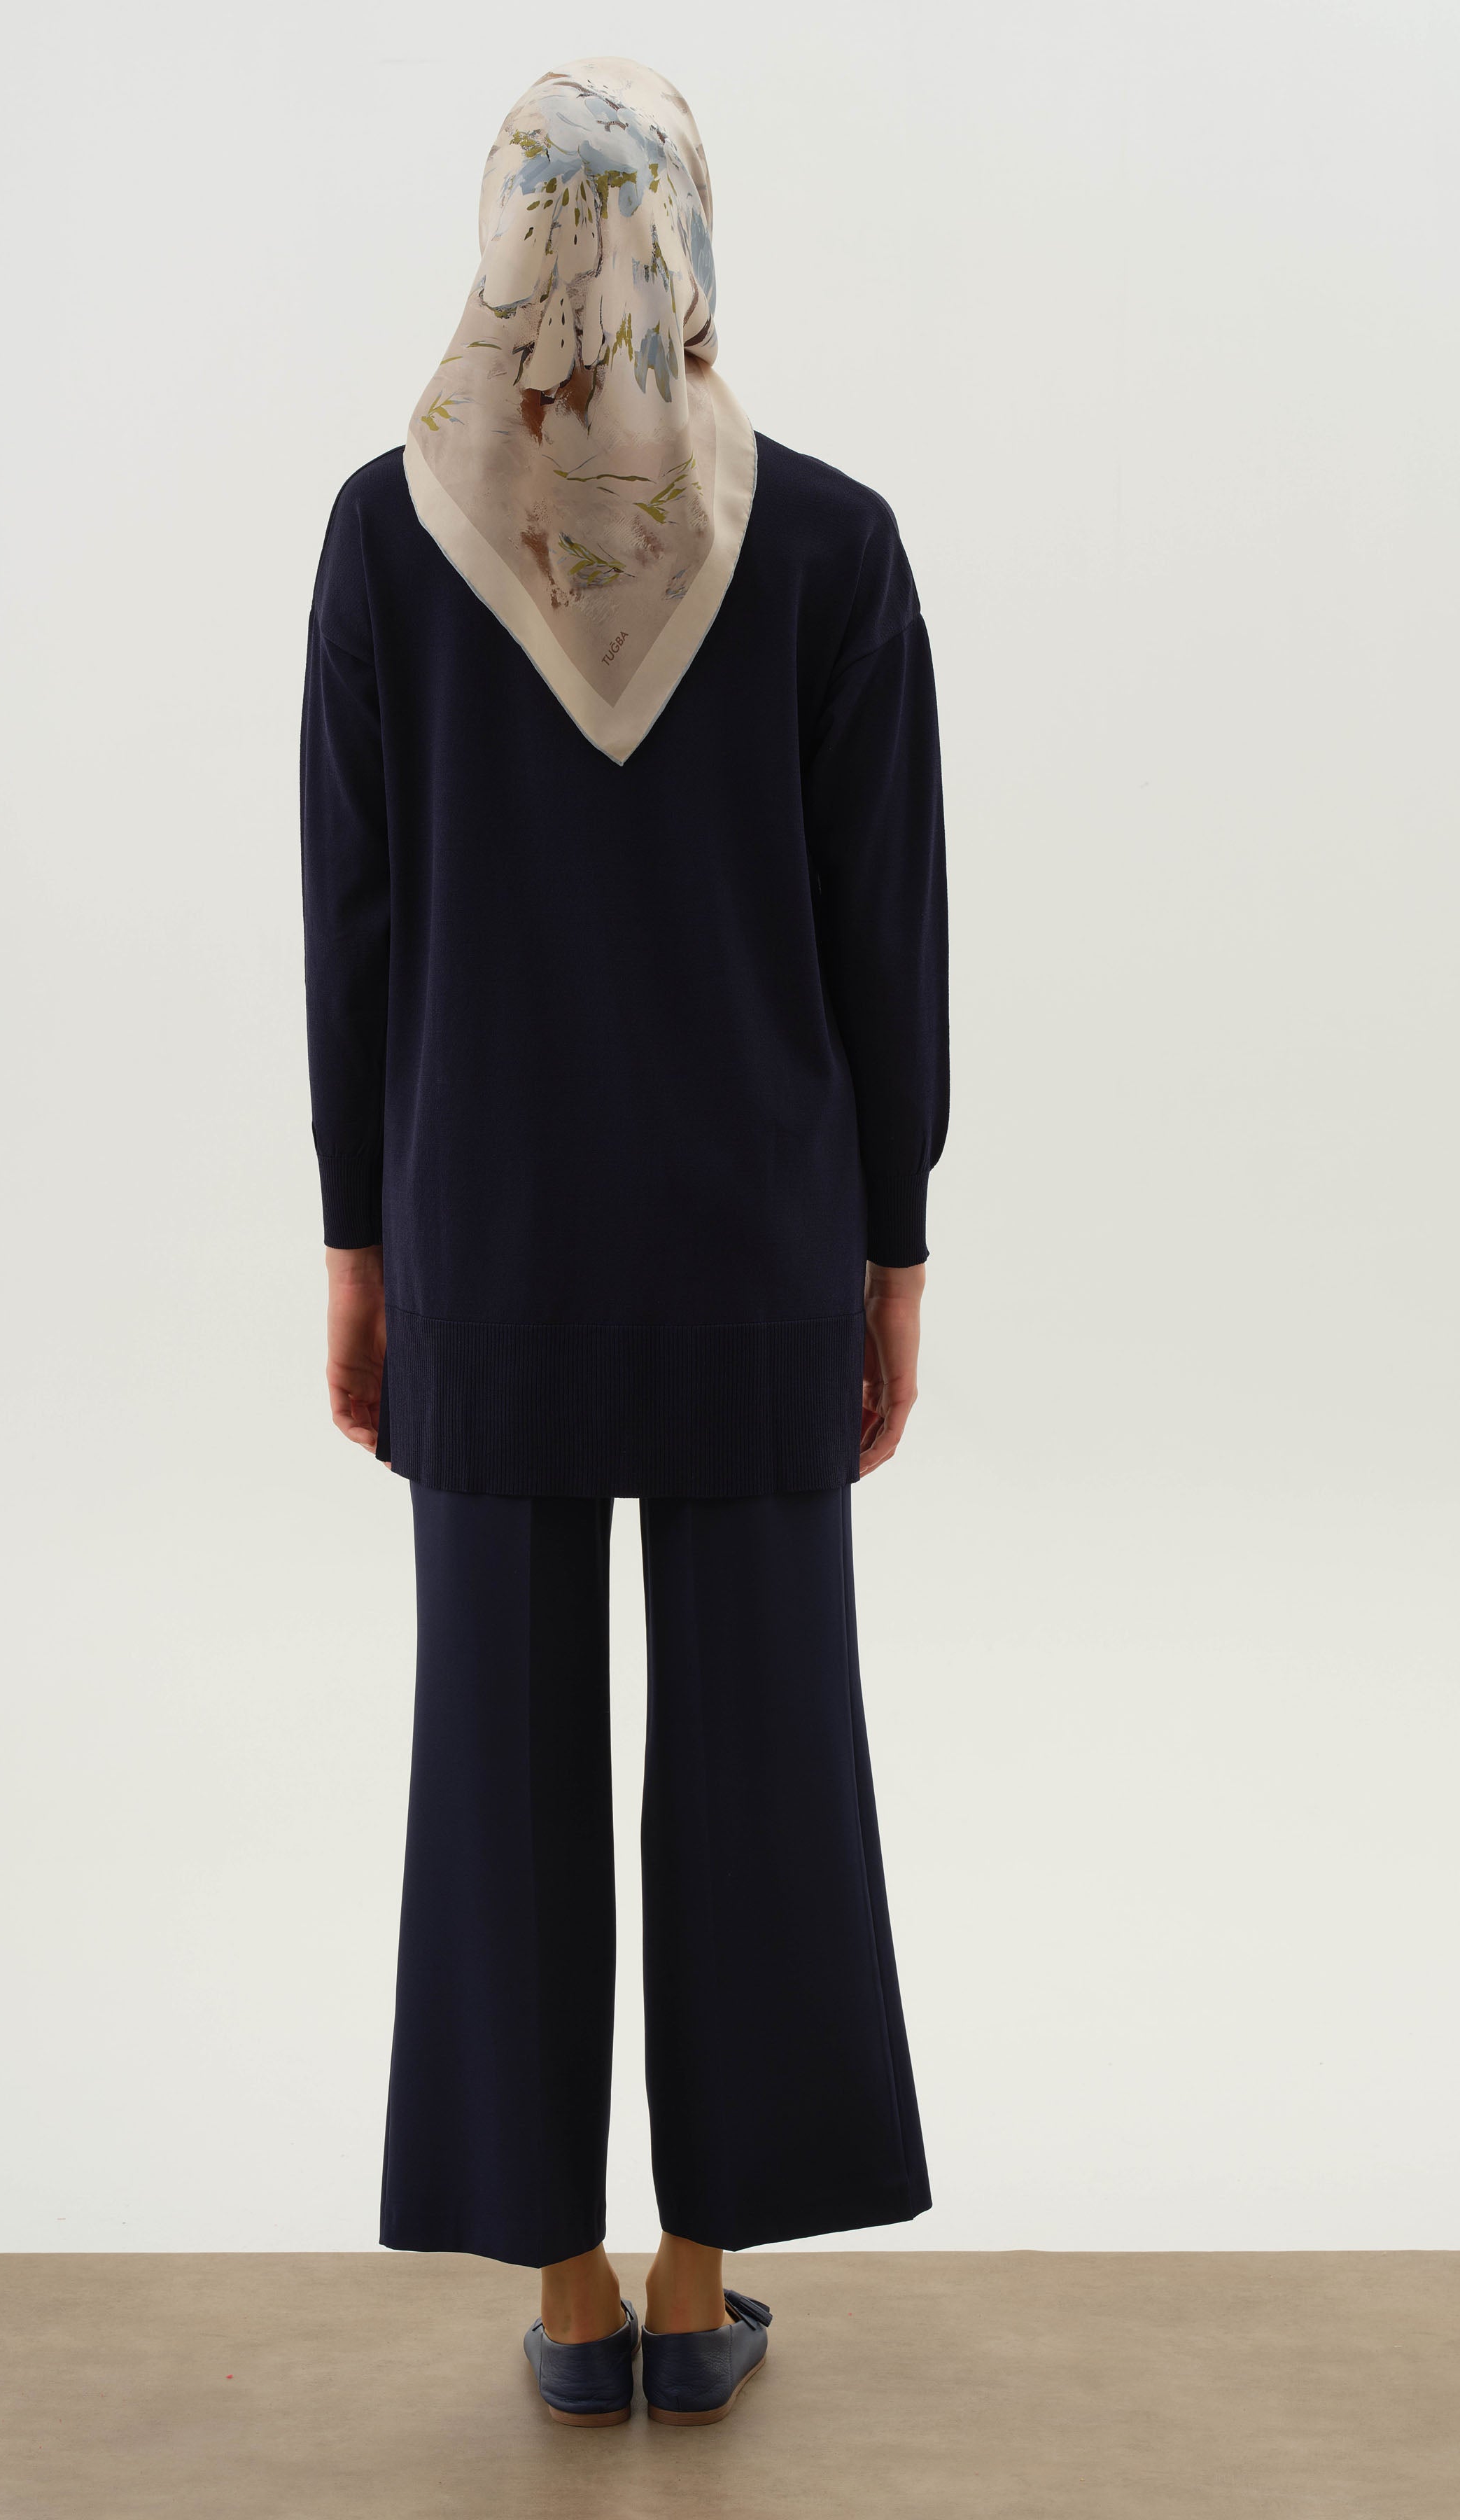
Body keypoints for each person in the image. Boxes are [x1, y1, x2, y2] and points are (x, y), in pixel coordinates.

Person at [300, 55, 948, 2428]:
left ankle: (567, 2299)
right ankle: (697, 2281)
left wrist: (358, 1247)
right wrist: (892, 1252)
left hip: (483, 1237)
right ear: (685, 238)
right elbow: (885, 938)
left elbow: (353, 925)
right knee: (764, 1747)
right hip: (757, 1239)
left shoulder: (390, 540)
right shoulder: (831, 545)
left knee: (496, 1752)